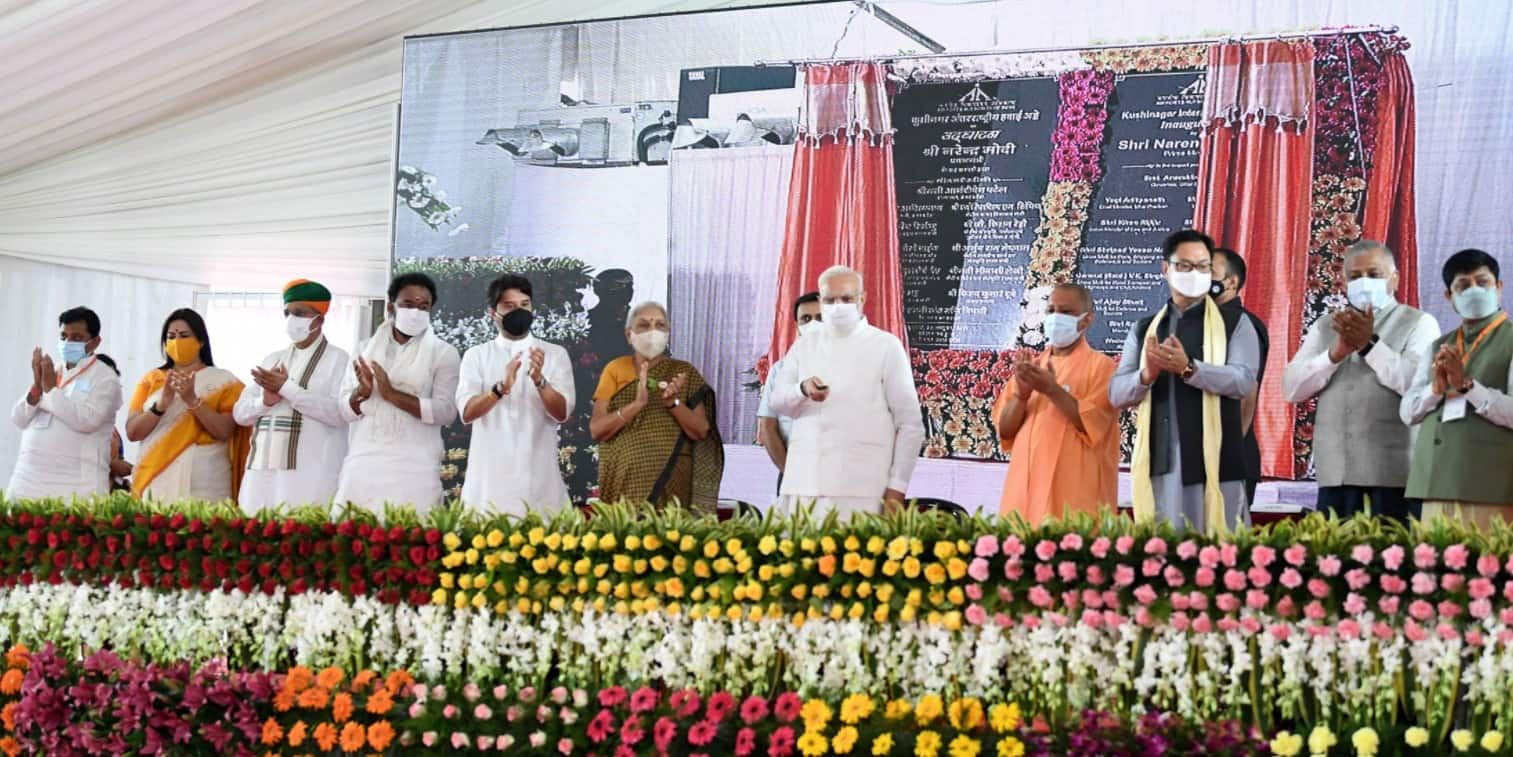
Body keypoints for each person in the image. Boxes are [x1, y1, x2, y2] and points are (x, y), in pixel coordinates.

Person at [1110, 230, 1261, 532]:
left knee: (1220, 560)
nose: (1195, 274)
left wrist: (1190, 369)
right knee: (1163, 558)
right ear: (1166, 269)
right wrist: (1146, 375)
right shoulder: (1144, 329)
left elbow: (1244, 381)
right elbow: (1116, 393)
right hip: (1160, 461)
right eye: (1185, 266)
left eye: (1203, 266)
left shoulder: (1236, 323)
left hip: (1219, 464)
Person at [1282, 240, 1439, 520]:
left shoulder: (1419, 323)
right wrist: (1334, 354)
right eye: (1355, 276)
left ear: (1395, 279)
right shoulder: (1326, 326)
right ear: (1343, 282)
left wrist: (1370, 346)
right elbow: (1292, 388)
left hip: (1395, 476)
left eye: (1374, 275)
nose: (1364, 282)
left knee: (1392, 561)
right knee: (1335, 560)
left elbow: (1416, 385)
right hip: (1336, 476)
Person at [769, 266, 925, 517]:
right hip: (803, 485)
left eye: (847, 299)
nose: (838, 306)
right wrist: (802, 390)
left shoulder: (886, 346)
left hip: (862, 489)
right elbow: (778, 401)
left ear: (862, 299)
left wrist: (897, 488)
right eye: (830, 300)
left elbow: (911, 425)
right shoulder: (804, 344)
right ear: (820, 301)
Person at [1402, 249, 1513, 526]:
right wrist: (1436, 390)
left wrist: (1466, 386)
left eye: (1482, 282)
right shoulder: (1437, 345)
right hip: (1434, 482)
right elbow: (1408, 413)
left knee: (1488, 568)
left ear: (1499, 288)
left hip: (1491, 485)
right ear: (1449, 298)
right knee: (1432, 567)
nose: (1474, 290)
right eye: (1463, 285)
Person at [991, 284, 1119, 524]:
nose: (1055, 317)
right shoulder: (1032, 367)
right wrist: (1021, 395)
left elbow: (1094, 425)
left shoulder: (1103, 368)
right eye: (1051, 310)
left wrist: (1052, 390)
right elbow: (1005, 431)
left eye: (1066, 312)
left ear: (1086, 320)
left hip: (1075, 499)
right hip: (1024, 500)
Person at [334, 273, 461, 513]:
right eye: (408, 304)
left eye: (424, 306)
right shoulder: (364, 349)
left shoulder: (444, 353)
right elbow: (343, 410)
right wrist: (361, 393)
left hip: (415, 467)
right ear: (391, 306)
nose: (416, 312)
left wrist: (392, 394)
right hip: (364, 463)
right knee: (354, 542)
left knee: (411, 543)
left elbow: (446, 412)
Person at [457, 274, 575, 514]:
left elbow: (561, 413)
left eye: (524, 305)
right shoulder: (476, 355)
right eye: (509, 306)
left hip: (539, 480)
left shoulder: (554, 354)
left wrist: (540, 380)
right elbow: (467, 413)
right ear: (493, 313)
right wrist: (499, 390)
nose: (518, 312)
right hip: (488, 482)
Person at [589, 301, 723, 510]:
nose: (652, 331)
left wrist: (673, 403)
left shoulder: (683, 372)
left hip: (672, 478)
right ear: (629, 334)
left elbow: (701, 431)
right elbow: (597, 430)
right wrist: (637, 404)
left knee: (668, 540)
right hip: (622, 481)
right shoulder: (615, 369)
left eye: (660, 325)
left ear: (668, 332)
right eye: (643, 325)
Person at [232, 280, 351, 512]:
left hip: (309, 477)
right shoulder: (272, 359)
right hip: (262, 477)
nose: (291, 319)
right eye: (287, 312)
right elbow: (240, 414)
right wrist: (264, 401)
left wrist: (287, 388)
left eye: (299, 313)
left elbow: (339, 413)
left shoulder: (339, 360)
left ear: (319, 319)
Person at [125, 308, 247, 502]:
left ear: (201, 341)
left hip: (205, 484)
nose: (177, 342)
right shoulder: (151, 379)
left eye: (184, 335)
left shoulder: (225, 381)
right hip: (154, 477)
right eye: (171, 336)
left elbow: (224, 431)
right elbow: (132, 432)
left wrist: (193, 401)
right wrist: (161, 405)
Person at [7, 307, 124, 500]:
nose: (67, 342)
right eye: (63, 336)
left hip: (76, 487)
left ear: (95, 342)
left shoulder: (105, 377)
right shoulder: (52, 370)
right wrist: (37, 387)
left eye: (76, 338)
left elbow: (87, 420)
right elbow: (19, 419)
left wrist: (52, 390)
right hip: (28, 482)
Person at [1210, 248, 1270, 506]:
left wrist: (1227, 455)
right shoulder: (1191, 320)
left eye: (1208, 271)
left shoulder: (1242, 324)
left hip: (1228, 458)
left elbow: (1247, 395)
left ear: (1232, 282)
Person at [757, 292, 822, 495]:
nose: (813, 324)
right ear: (797, 326)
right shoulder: (780, 370)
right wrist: (791, 475)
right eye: (806, 319)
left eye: (820, 318)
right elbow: (768, 426)